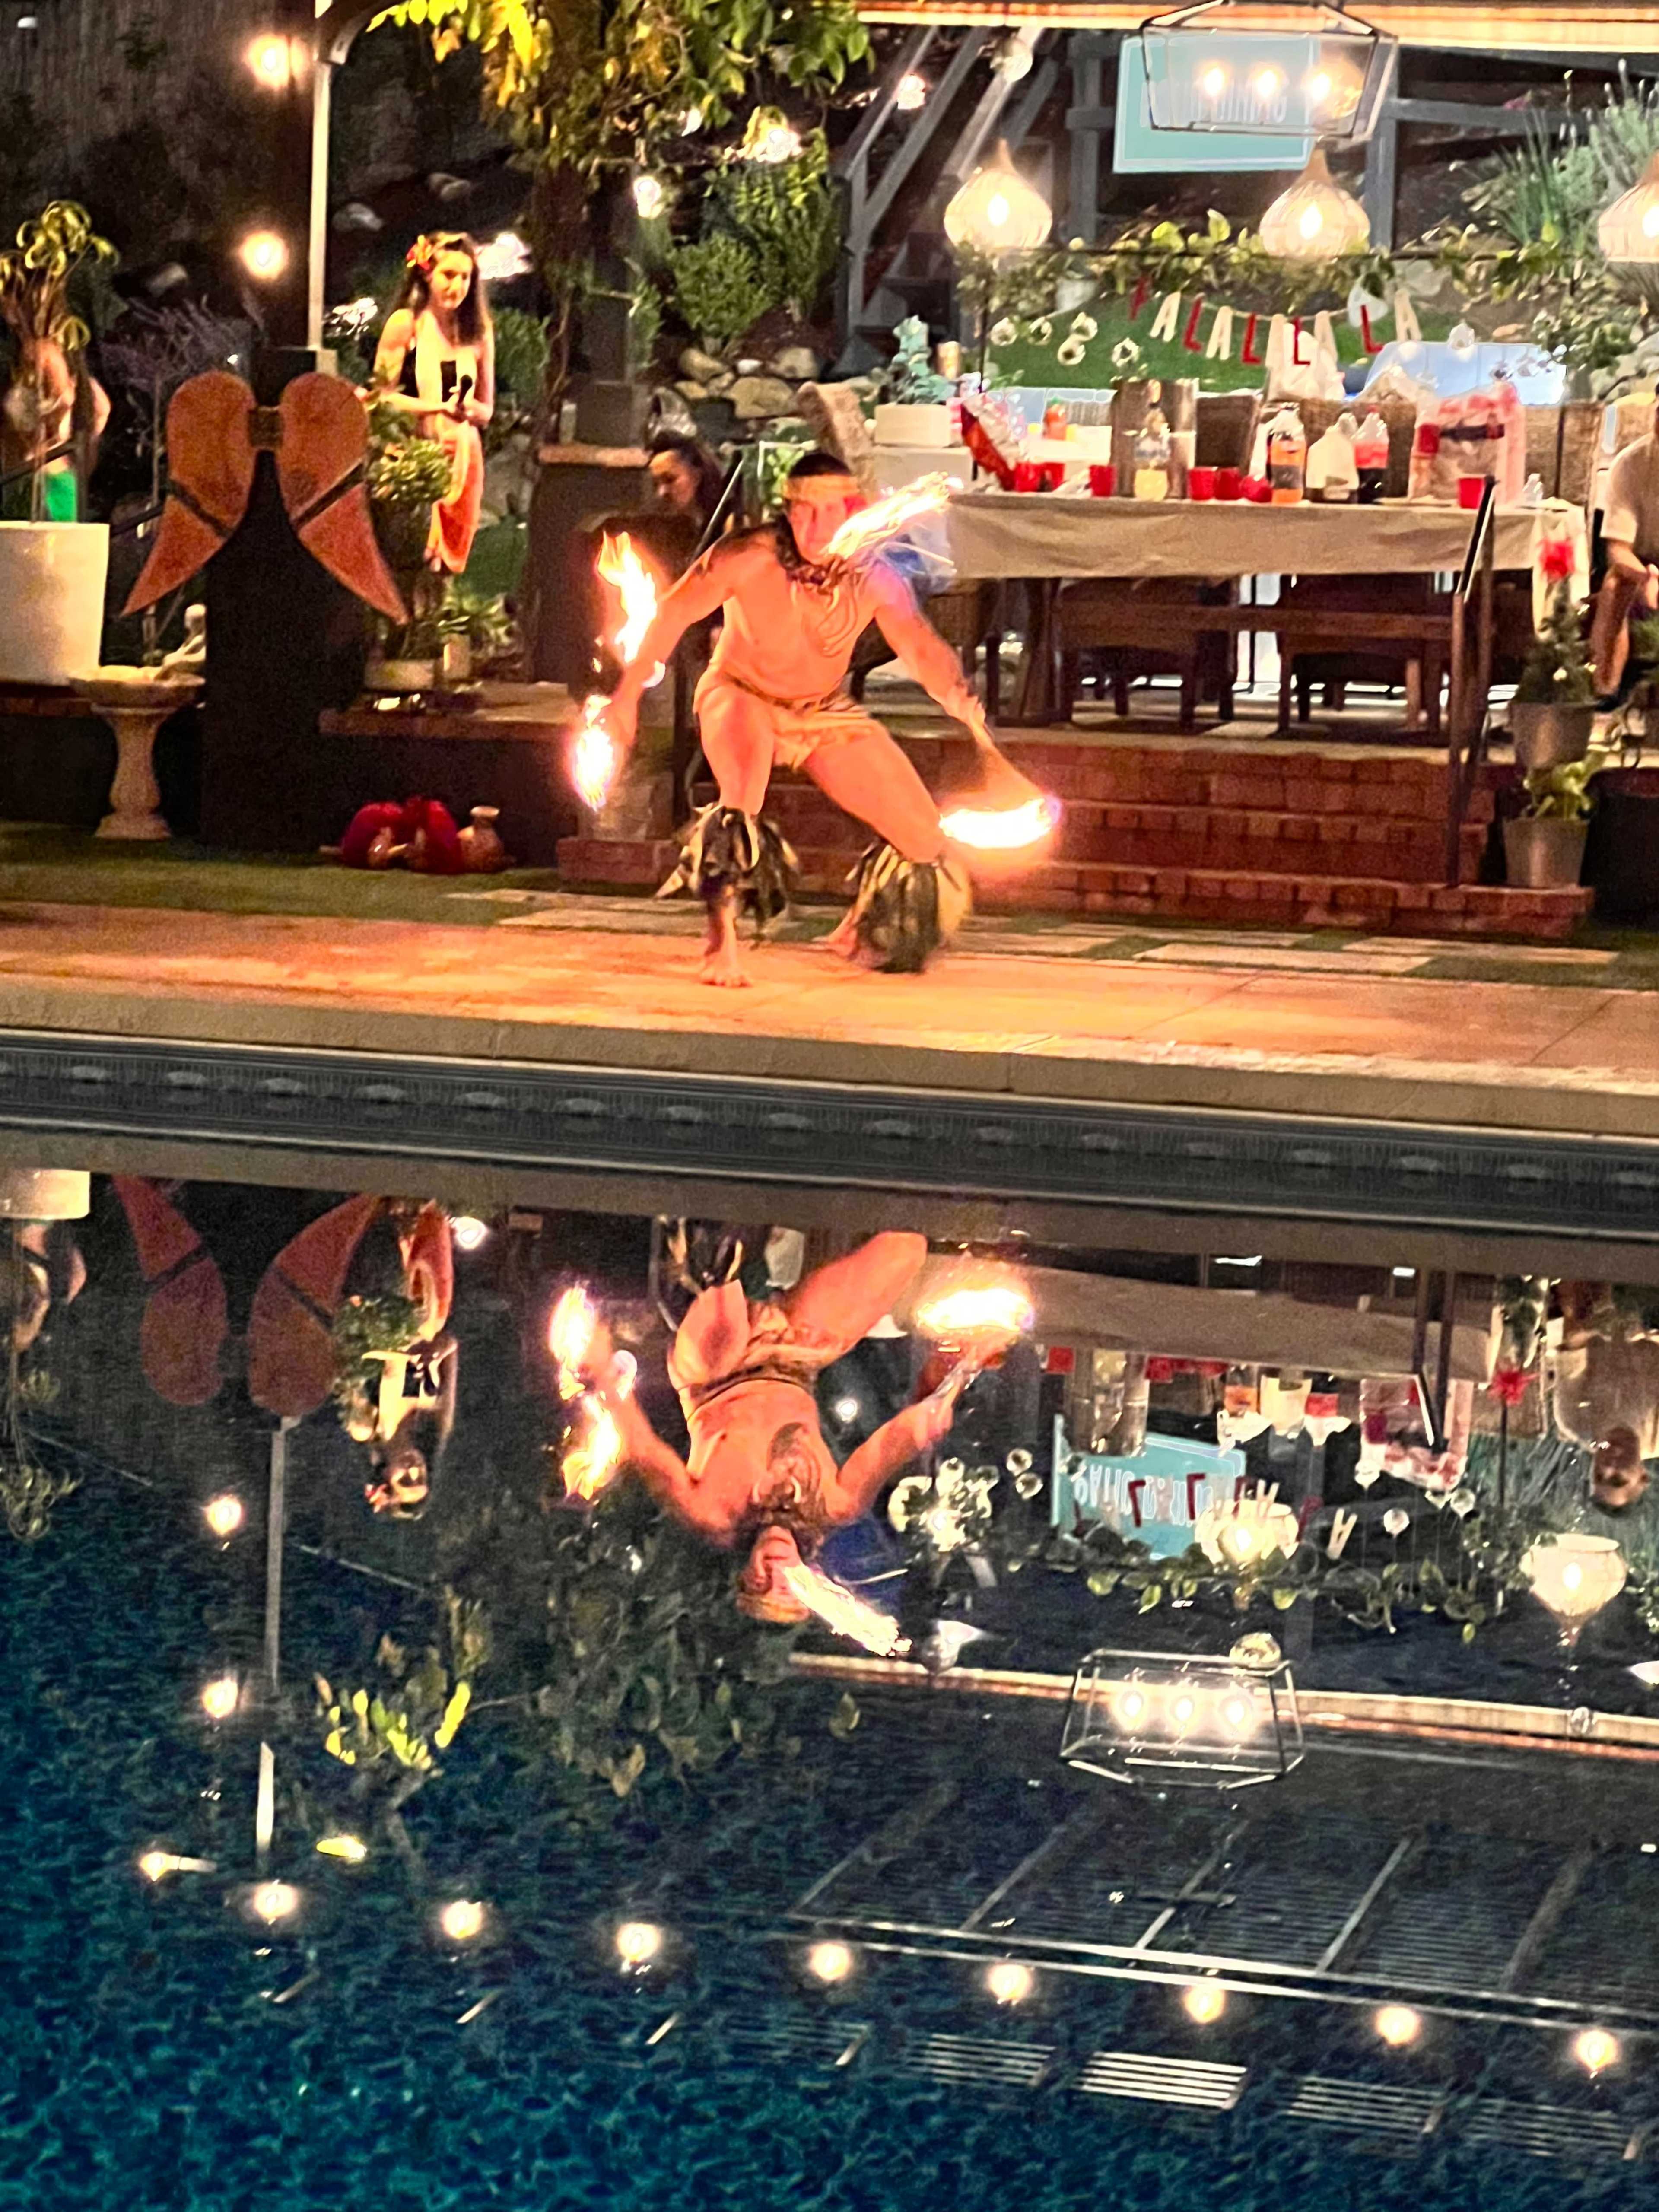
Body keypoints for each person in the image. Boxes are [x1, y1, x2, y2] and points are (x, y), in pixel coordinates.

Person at [600, 449, 981, 987]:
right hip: (741, 694)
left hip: (822, 710)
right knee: (740, 808)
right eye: (800, 510)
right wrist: (626, 696)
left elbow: (920, 646)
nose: (813, 525)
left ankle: (858, 928)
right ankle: (721, 942)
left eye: (828, 512)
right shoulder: (749, 557)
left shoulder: (873, 576)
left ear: (855, 512)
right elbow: (673, 614)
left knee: (923, 837)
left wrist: (959, 696)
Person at [570, 1230, 960, 1620]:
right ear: (812, 1579)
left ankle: (716, 1260)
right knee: (907, 1249)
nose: (776, 1573)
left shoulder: (711, 1514)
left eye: (762, 1585)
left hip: (716, 1373)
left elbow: (644, 1450)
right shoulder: (837, 1506)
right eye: (789, 1588)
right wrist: (944, 1395)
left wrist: (602, 1375)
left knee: (724, 1318)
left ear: (746, 1575)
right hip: (796, 1355)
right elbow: (895, 1442)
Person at [370, 232, 494, 573]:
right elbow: (382, 399)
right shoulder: (406, 324)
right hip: (415, 459)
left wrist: (466, 410)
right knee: (413, 562)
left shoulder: (478, 333)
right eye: (449, 275)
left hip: (464, 459)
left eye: (466, 277)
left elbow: (487, 410)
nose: (457, 286)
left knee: (445, 575)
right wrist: (435, 408)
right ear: (428, 275)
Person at [1552, 1281, 1659, 1512]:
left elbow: (1569, 1346)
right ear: (1643, 1478)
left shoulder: (1573, 1420)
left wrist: (1597, 1329)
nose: (1609, 1468)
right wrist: (1645, 1329)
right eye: (1618, 1480)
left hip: (1595, 1287)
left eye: (1599, 1476)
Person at [1590, 400, 1659, 696]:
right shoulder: (1631, 464)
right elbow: (1618, 550)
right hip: (1641, 563)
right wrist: (1647, 578)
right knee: (1614, 587)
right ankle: (1606, 691)